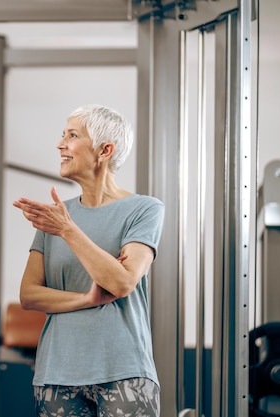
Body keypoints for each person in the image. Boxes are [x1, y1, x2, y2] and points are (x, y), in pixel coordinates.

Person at [13, 104, 165, 417]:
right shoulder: (55, 217)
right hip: (56, 374)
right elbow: (29, 295)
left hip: (124, 371)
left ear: (104, 150)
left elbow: (122, 282)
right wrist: (87, 298)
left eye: (72, 135)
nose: (60, 144)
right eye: (63, 134)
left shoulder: (144, 210)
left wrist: (68, 231)